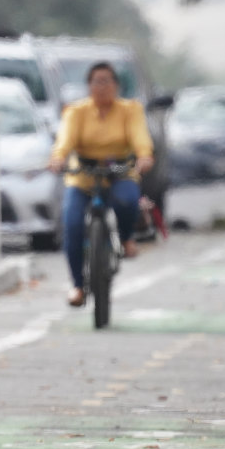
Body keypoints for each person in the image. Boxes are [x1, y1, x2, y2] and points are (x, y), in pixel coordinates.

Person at [48, 61, 154, 307]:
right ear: (89, 86)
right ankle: (77, 285)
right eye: (97, 82)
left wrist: (144, 156)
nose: (102, 87)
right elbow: (65, 139)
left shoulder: (130, 110)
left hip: (120, 171)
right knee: (72, 223)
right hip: (83, 174)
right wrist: (58, 157)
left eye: (107, 81)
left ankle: (126, 238)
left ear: (116, 86)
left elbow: (140, 136)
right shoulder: (76, 112)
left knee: (127, 200)